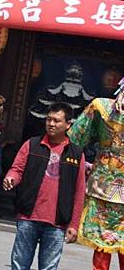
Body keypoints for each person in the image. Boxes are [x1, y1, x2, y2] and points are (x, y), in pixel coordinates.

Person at [4, 102, 85, 270]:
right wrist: (11, 178)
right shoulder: (32, 144)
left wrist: (74, 224)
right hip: (28, 217)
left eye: (56, 121)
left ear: (68, 125)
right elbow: (17, 169)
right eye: (48, 119)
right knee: (19, 265)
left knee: (49, 268)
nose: (51, 124)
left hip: (57, 224)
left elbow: (79, 191)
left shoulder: (76, 154)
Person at [68, 97, 124, 270]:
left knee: (102, 246)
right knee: (102, 244)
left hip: (103, 184)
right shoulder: (100, 106)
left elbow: (76, 137)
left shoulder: (101, 106)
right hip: (103, 188)